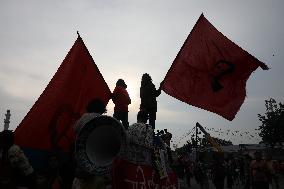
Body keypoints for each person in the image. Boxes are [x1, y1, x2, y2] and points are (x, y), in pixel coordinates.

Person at [72, 98, 108, 189]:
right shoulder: (104, 119)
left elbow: (75, 128)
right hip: (99, 157)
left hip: (82, 155)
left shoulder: (84, 117)